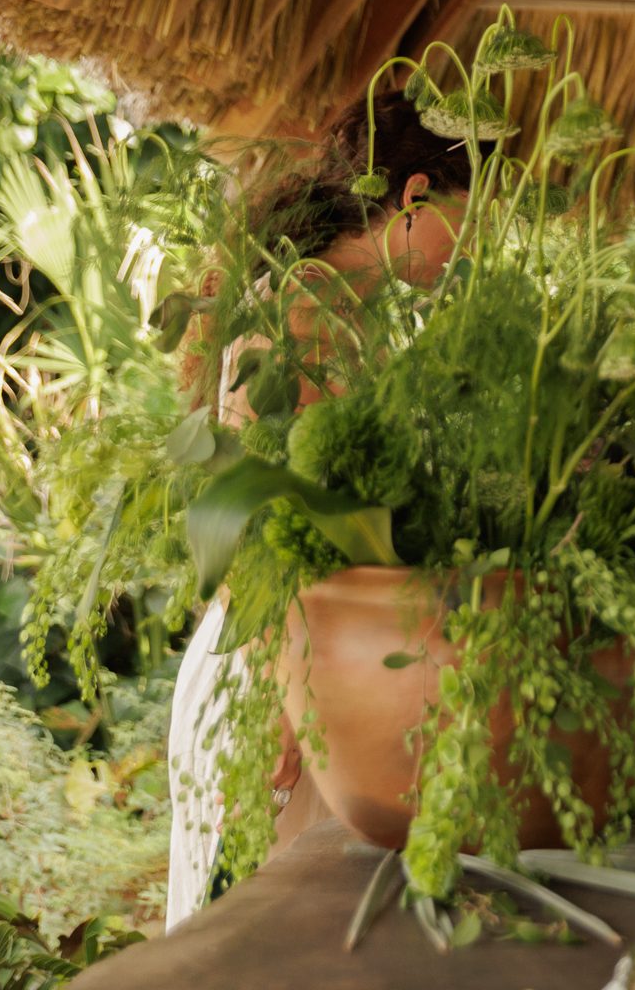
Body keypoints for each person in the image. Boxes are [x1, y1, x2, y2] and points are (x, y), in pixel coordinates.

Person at [166, 92, 471, 930]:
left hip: (312, 673)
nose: (467, 250)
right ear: (412, 196)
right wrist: (285, 706)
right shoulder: (301, 313)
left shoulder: (347, 313)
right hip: (273, 678)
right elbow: (260, 537)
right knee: (257, 950)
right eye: (464, 221)